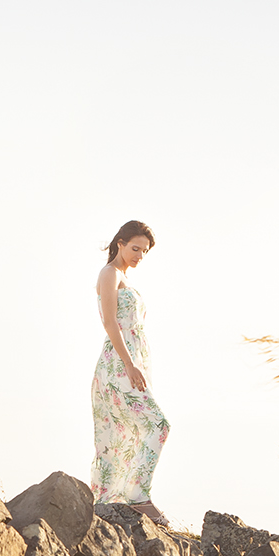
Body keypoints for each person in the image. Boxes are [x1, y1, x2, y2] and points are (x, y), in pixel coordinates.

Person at [90, 219, 171, 526]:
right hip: (117, 365)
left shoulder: (123, 276)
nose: (140, 255)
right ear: (120, 243)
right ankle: (138, 497)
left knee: (133, 430)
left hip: (129, 363)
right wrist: (128, 363)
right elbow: (110, 322)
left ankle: (125, 496)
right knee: (158, 424)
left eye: (145, 251)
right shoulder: (109, 273)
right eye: (135, 248)